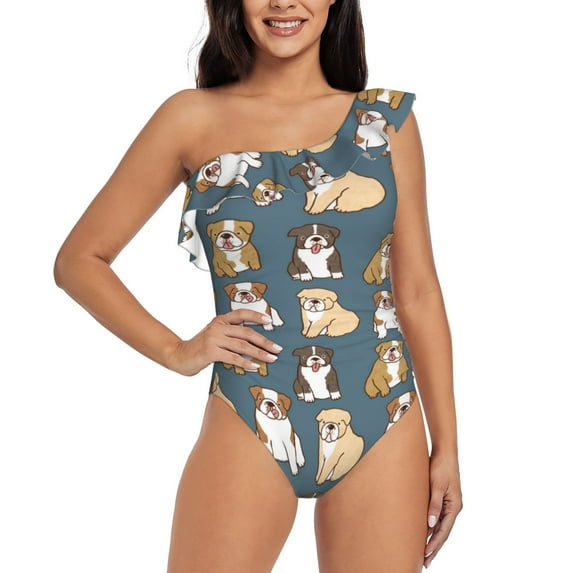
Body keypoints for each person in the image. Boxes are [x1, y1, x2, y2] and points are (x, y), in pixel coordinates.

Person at [54, 0, 462, 570]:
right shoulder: (190, 117)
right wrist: (177, 350)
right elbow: (79, 260)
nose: (283, 2)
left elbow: (416, 290)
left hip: (384, 415)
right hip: (248, 405)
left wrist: (447, 448)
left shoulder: (384, 122)